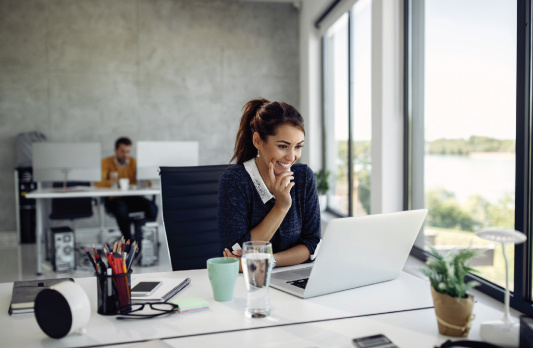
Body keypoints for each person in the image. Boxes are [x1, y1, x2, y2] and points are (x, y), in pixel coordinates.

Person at [218, 98, 321, 271]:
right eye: (283, 146)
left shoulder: (303, 177)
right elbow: (237, 252)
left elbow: (312, 245)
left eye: (298, 146)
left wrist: (266, 261)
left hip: (289, 275)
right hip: (246, 283)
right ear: (258, 141)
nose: (291, 157)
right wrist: (281, 207)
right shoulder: (235, 181)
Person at [95, 137, 158, 241]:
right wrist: (115, 183)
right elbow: (98, 182)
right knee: (121, 208)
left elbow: (148, 180)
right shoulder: (106, 162)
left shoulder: (133, 162)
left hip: (132, 198)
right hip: (114, 200)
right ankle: (128, 241)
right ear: (116, 150)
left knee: (152, 207)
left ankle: (143, 238)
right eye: (122, 151)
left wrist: (146, 182)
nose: (126, 155)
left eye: (128, 151)